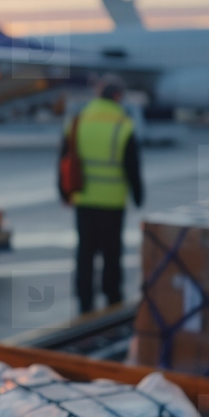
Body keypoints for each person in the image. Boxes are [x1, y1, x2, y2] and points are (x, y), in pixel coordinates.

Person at [59, 75, 144, 315]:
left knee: (85, 253)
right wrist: (138, 196)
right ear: (117, 96)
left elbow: (65, 159)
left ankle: (84, 301)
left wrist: (64, 191)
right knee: (111, 253)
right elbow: (132, 166)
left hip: (83, 199)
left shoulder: (78, 120)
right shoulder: (123, 123)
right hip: (112, 201)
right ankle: (112, 298)